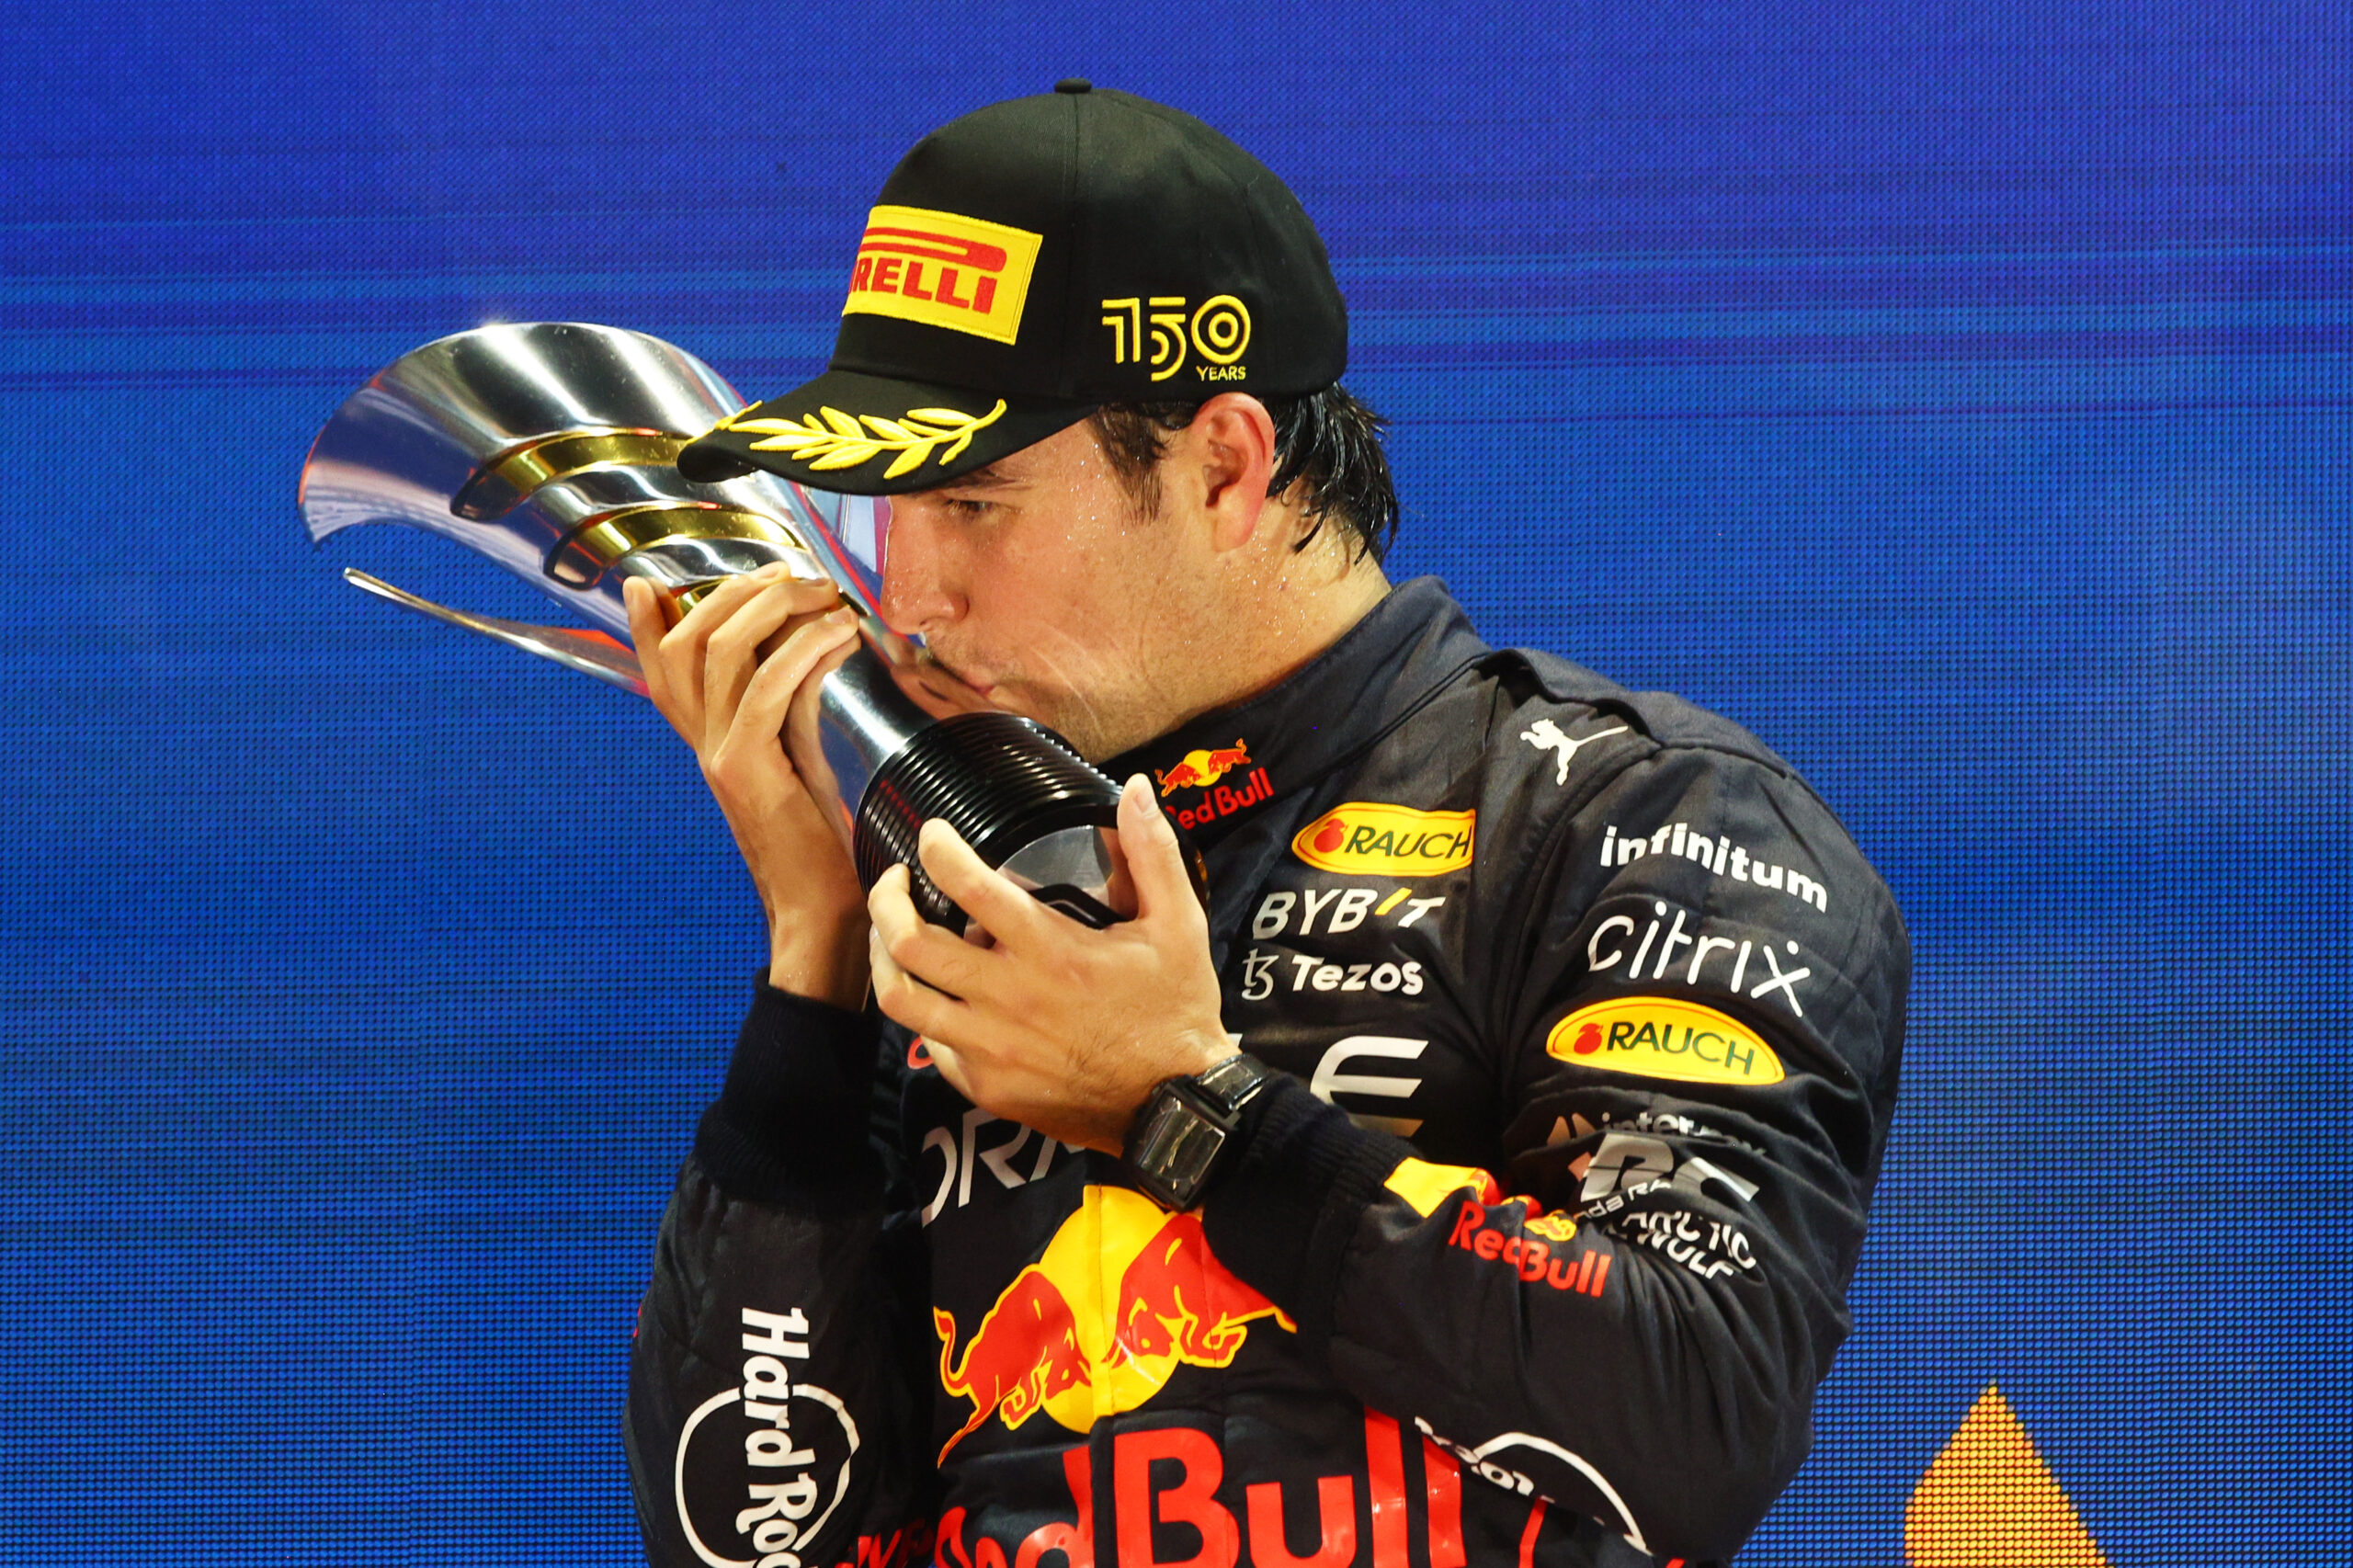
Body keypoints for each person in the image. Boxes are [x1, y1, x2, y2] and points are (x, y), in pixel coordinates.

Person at [621, 84, 1906, 1568]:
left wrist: (1186, 1109)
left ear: (1226, 466)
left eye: (972, 504)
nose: (913, 597)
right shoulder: (966, 880)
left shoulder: (1627, 819)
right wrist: (816, 963)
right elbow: (755, 1546)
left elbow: (1696, 1412)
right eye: (890, 513)